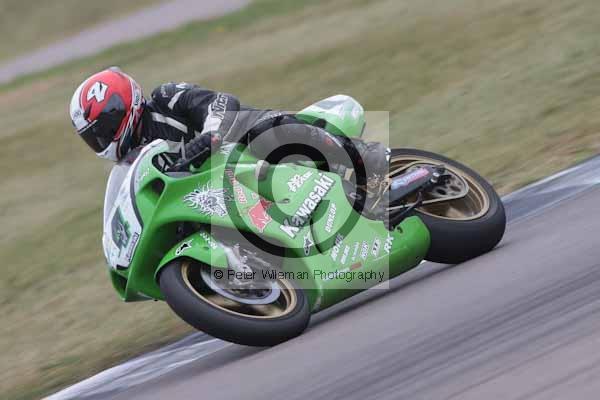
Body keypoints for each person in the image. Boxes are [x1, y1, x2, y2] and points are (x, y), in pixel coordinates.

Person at [69, 67, 388, 184]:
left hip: (244, 147)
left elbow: (220, 102)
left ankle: (368, 160)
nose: (100, 141)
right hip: (225, 186)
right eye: (92, 137)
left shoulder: (165, 98)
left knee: (261, 132)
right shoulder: (132, 165)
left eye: (101, 130)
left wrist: (211, 135)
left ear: (120, 110)